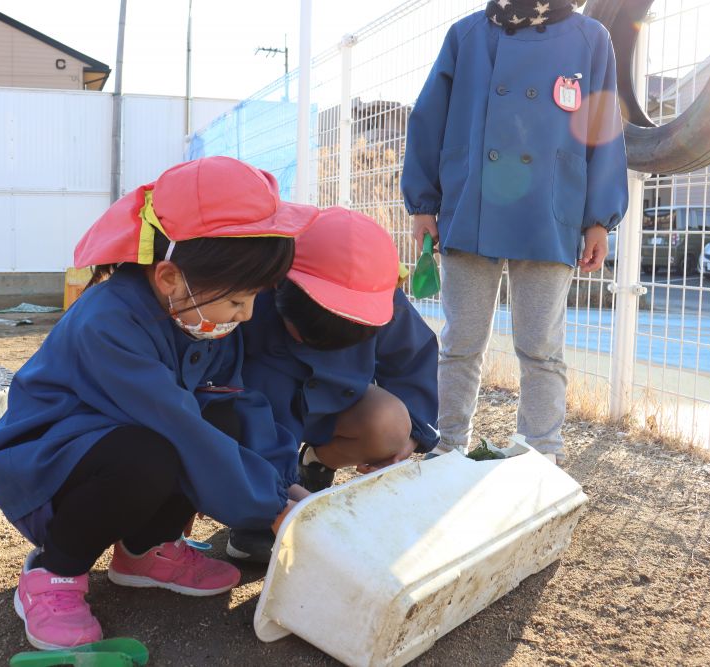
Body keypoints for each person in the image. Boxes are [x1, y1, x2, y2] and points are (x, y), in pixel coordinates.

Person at [0, 157, 318, 649]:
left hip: (136, 439)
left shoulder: (200, 313)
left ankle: (146, 550)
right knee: (153, 452)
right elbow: (177, 425)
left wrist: (287, 484)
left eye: (256, 296)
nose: (248, 313)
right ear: (171, 277)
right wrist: (269, 505)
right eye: (239, 299)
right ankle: (54, 572)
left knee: (220, 418)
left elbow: (239, 406)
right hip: (54, 467)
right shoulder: (108, 322)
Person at [401, 0, 628, 464]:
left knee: (541, 347)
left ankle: (540, 454)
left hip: (551, 207)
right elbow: (428, 118)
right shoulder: (467, 35)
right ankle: (448, 446)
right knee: (460, 341)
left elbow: (605, 128)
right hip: (470, 204)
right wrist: (423, 203)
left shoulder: (590, 38)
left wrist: (599, 218)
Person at [228, 207, 439, 563]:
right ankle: (255, 515)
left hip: (335, 406)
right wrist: (271, 493)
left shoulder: (380, 292)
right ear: (280, 287)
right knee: (238, 428)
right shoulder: (251, 297)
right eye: (304, 334)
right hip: (262, 418)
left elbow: (412, 360)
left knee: (392, 424)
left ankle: (314, 465)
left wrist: (413, 436)